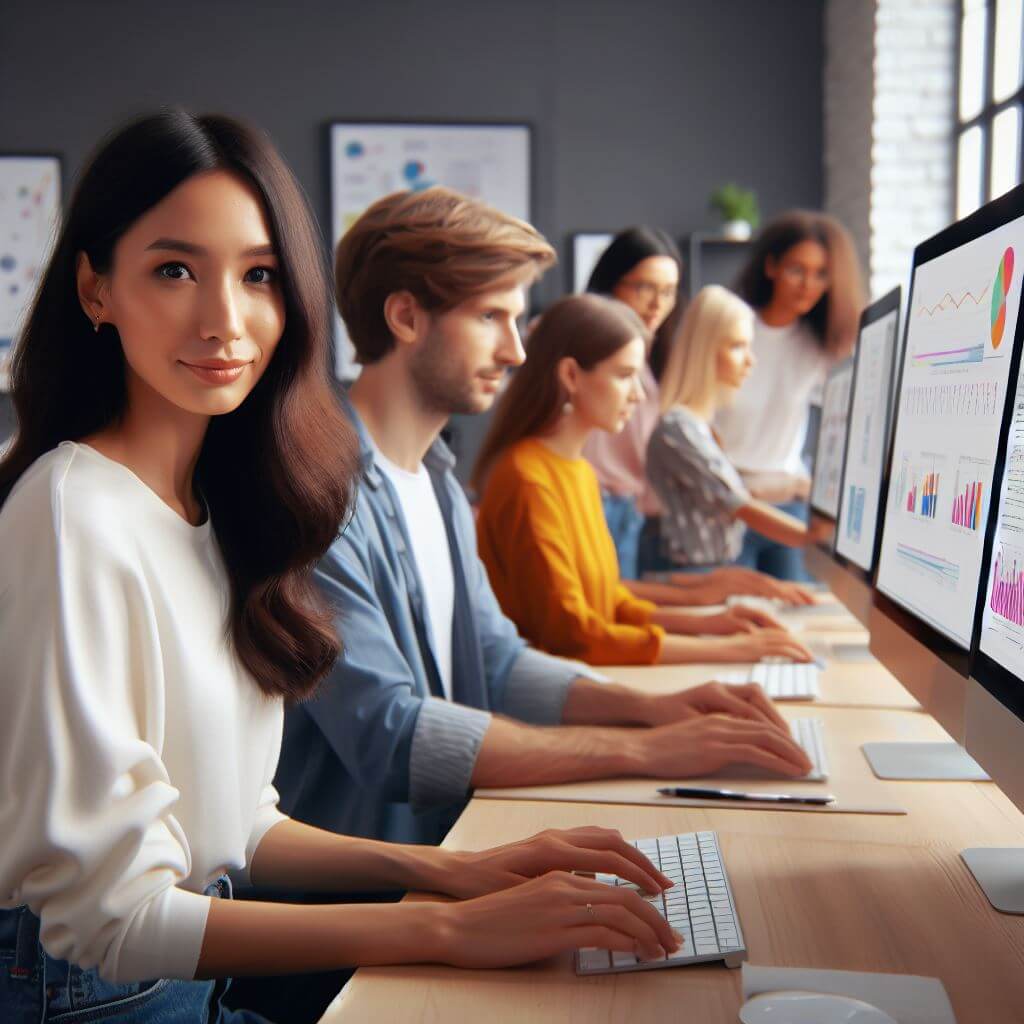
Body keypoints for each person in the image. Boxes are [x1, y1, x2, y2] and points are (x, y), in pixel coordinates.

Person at [0, 113, 685, 1024]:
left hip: (188, 977)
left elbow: (237, 824)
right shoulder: (71, 513)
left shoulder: (218, 504)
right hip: (96, 997)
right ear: (95, 290)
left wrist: (456, 871)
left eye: (258, 276)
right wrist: (443, 927)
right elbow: (111, 923)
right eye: (175, 270)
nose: (224, 320)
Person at [275, 188, 812, 858]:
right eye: (492, 317)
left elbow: (496, 662)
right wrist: (645, 748)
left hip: (451, 847)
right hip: (368, 904)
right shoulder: (316, 497)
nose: (515, 351)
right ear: (406, 316)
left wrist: (654, 707)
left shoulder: (437, 480)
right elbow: (391, 734)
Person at [473, 292, 815, 668]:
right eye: (624, 376)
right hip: (556, 699)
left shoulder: (580, 472)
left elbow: (609, 603)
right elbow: (576, 636)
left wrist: (715, 624)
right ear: (571, 376)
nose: (637, 396)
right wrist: (731, 651)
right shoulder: (528, 478)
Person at [583, 228, 813, 607]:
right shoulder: (603, 361)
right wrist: (812, 535)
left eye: (669, 291)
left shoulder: (656, 365)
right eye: (644, 288)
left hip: (637, 515)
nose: (658, 303)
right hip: (604, 510)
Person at [713, 211, 865, 580]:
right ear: (771, 266)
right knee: (737, 616)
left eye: (821, 274)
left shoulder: (824, 346)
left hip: (788, 505)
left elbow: (845, 429)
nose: (808, 285)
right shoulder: (731, 326)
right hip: (727, 504)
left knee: (797, 617)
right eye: (797, 270)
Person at [648, 286, 834, 569]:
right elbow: (736, 501)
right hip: (692, 571)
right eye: (737, 346)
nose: (751, 361)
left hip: (713, 568)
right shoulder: (678, 427)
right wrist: (809, 535)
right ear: (705, 350)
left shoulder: (701, 426)